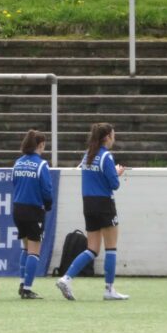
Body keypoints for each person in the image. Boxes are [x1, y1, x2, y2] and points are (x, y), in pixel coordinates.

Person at [55, 123, 128, 301]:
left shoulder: (88, 154)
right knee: (111, 248)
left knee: (92, 248)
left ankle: (66, 278)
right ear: (106, 137)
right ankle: (109, 289)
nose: (114, 139)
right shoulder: (106, 157)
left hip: (88, 204)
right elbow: (114, 185)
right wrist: (117, 173)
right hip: (104, 203)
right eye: (113, 135)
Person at [11, 129, 54, 300]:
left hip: (18, 208)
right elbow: (47, 190)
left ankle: (23, 283)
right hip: (33, 209)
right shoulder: (41, 165)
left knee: (25, 246)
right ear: (40, 145)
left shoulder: (18, 163)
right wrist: (48, 205)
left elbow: (14, 183)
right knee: (34, 251)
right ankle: (28, 289)